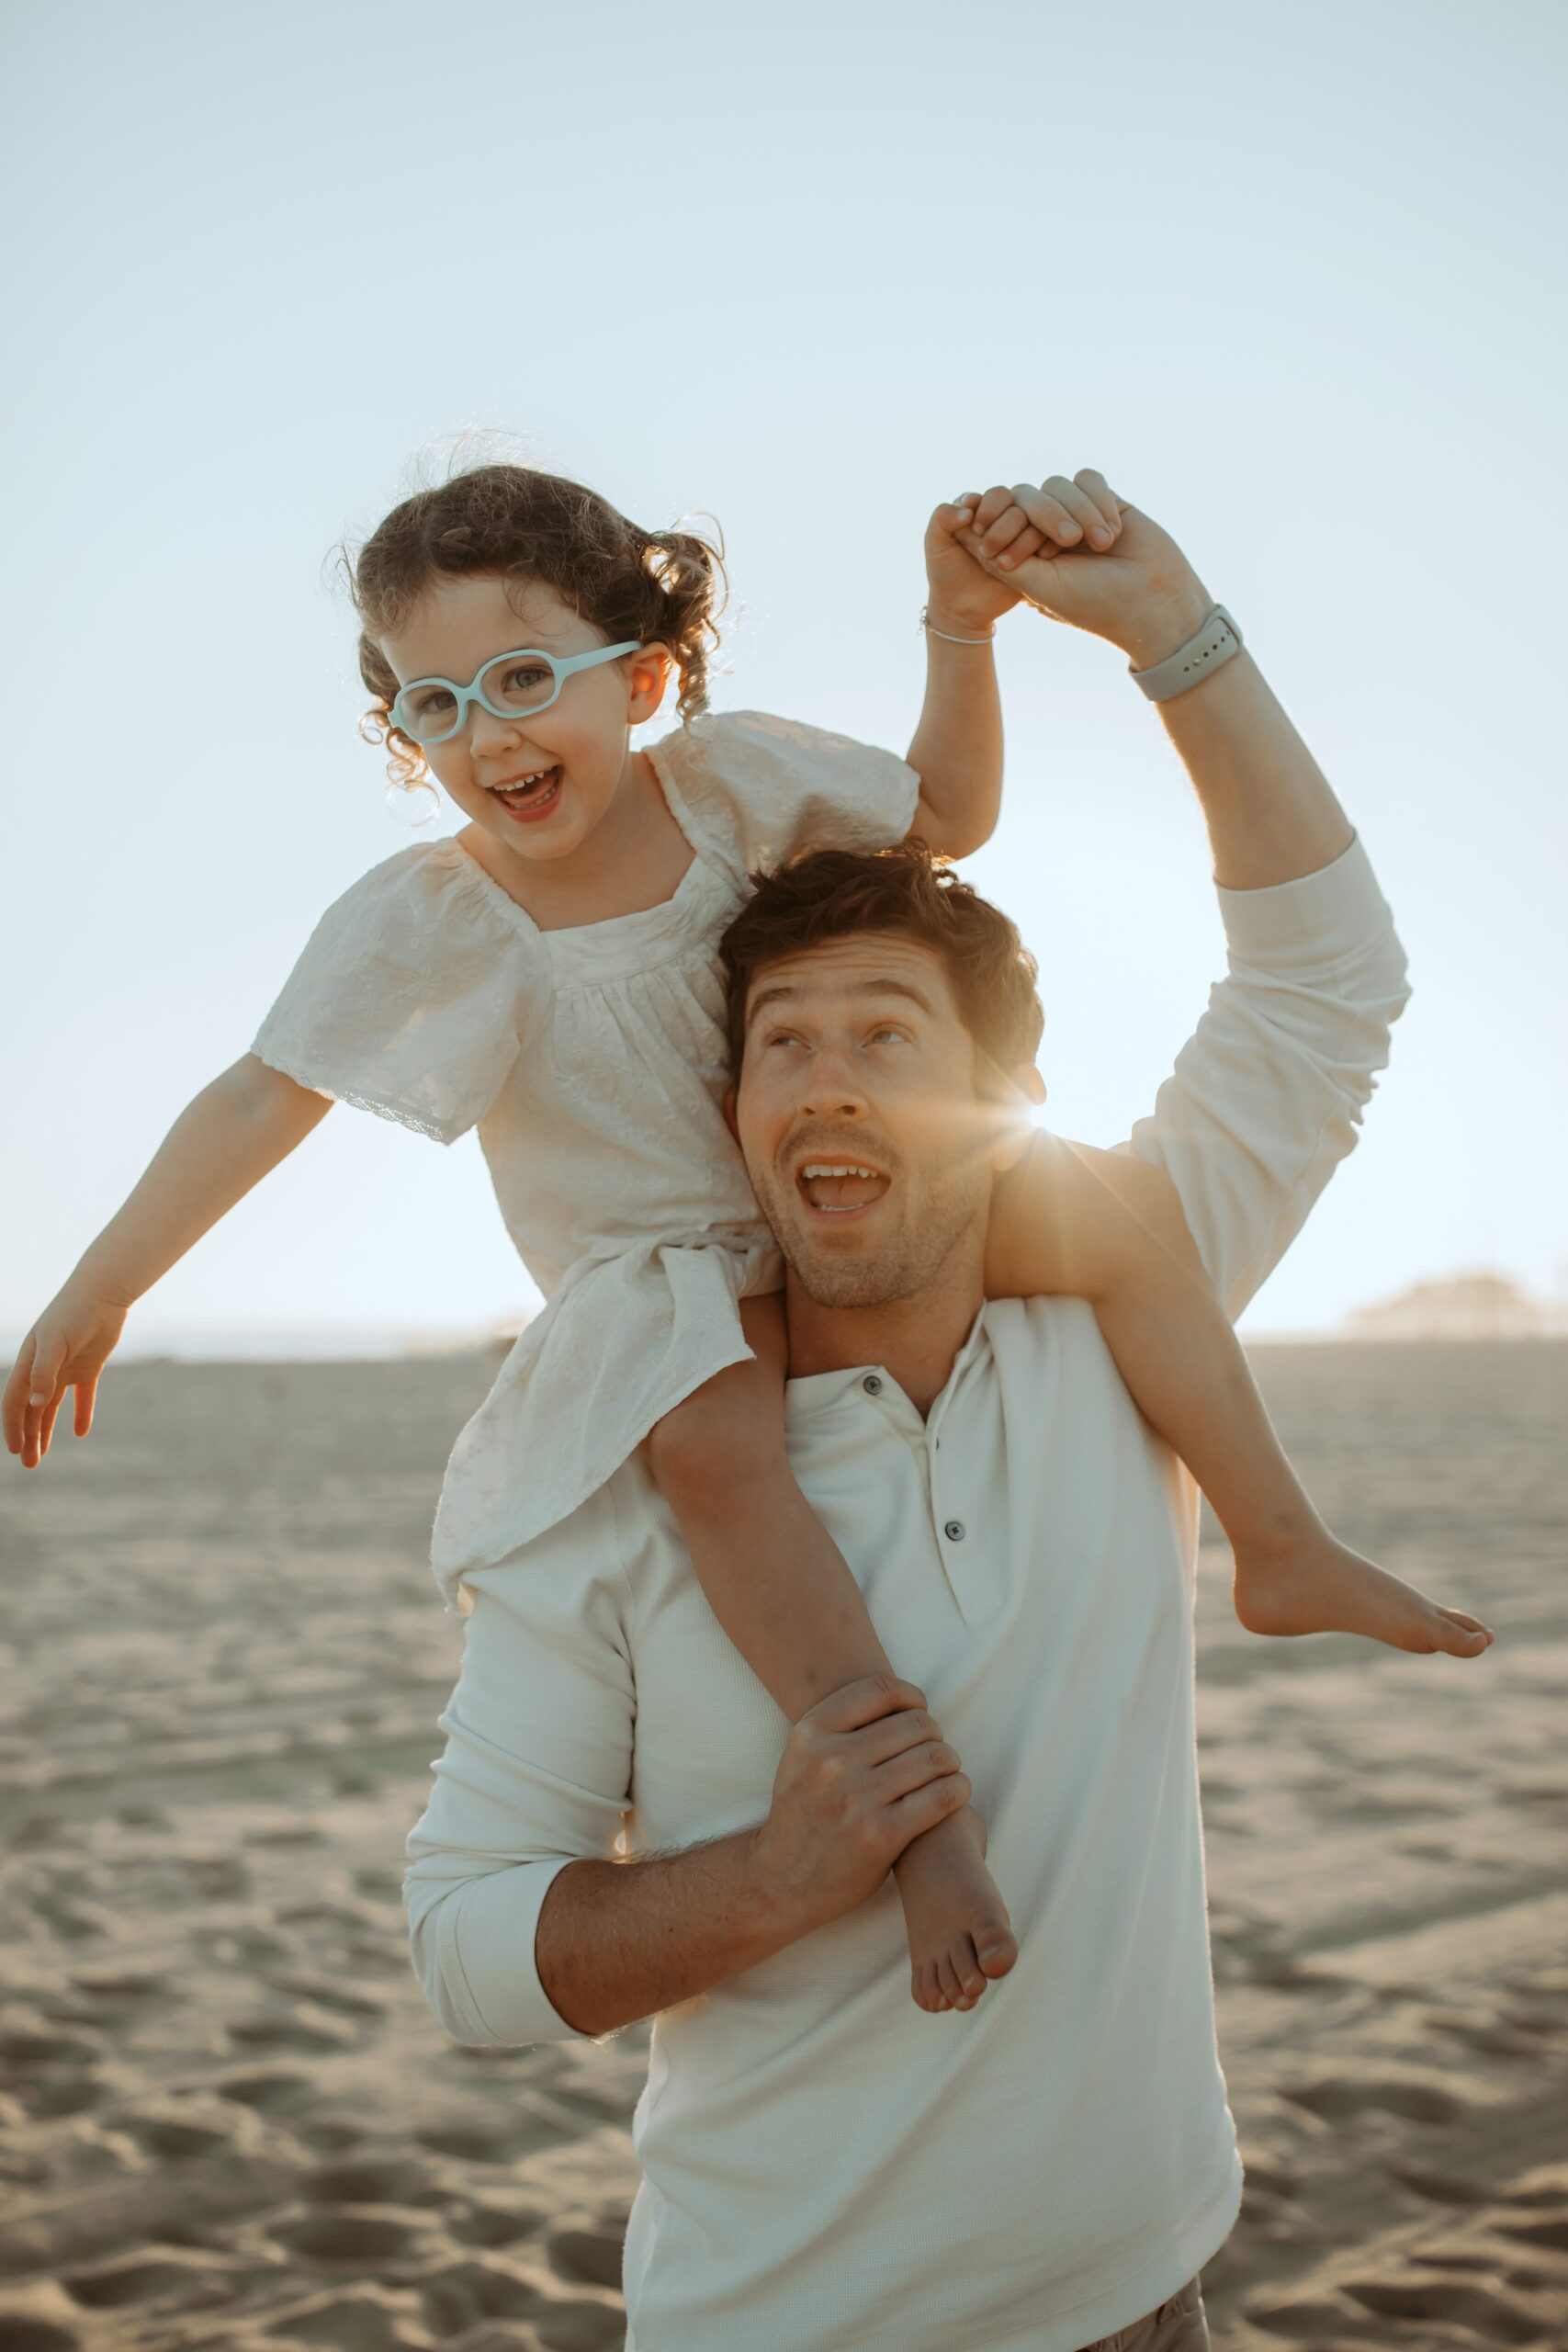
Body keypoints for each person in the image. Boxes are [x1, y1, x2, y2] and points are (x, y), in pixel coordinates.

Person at [3, 465, 1487, 2029]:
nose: (487, 735)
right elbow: (260, 1096)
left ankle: (1275, 1540)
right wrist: (101, 1286)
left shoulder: (725, 789)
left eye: (523, 678)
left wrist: (959, 626)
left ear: (642, 677)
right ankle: (922, 1839)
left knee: (1124, 1218)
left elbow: (947, 817)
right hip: (668, 1276)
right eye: (431, 707)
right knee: (725, 1469)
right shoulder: (431, 915)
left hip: (844, 1202)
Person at [402, 557, 1482, 2348]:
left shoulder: (1129, 1324)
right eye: (781, 1045)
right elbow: (465, 1945)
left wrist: (1173, 633)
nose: (826, 1081)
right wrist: (773, 1876)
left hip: (1146, 2290)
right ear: (730, 1111)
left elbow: (1323, 988)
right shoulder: (622, 1461)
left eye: (886, 1040)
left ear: (991, 1113)